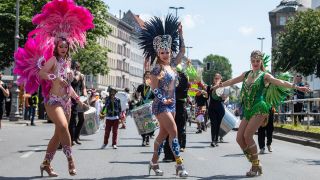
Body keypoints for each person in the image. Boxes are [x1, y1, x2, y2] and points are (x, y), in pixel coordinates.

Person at [13, 1, 93, 177]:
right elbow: (42, 73)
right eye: (60, 46)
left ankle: (46, 164)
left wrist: (79, 100)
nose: (63, 49)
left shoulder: (68, 63)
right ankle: (70, 161)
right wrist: (54, 77)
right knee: (64, 127)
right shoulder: (54, 61)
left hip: (66, 103)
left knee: (58, 136)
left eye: (65, 46)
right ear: (56, 47)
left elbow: (69, 86)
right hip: (53, 101)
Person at [215, 50, 310, 177]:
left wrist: (297, 87)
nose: (255, 63)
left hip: (259, 108)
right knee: (239, 138)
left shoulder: (264, 76)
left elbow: (280, 82)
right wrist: (220, 85)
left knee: (248, 136)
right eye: (253, 61)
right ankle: (256, 162)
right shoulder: (246, 74)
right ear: (250, 61)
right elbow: (233, 81)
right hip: (248, 109)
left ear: (261, 62)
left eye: (257, 61)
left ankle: (254, 166)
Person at [139, 14, 188, 177]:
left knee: (164, 134)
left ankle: (153, 162)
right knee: (174, 131)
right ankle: (179, 166)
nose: (165, 54)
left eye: (167, 51)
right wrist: (163, 98)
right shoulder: (156, 69)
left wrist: (181, 34)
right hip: (161, 105)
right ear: (158, 53)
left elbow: (182, 50)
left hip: (172, 103)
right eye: (162, 52)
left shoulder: (173, 65)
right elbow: (154, 88)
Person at [163, 63, 189, 161]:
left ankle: (171, 155)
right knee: (173, 130)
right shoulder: (181, 76)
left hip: (176, 104)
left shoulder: (181, 77)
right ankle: (171, 154)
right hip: (174, 104)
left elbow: (181, 91)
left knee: (172, 129)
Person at [207, 73, 228, 147]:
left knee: (218, 125)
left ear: (221, 79)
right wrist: (217, 86)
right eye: (215, 78)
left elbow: (225, 99)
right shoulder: (210, 87)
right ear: (213, 79)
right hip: (212, 108)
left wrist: (224, 97)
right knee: (213, 124)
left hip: (220, 108)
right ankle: (213, 140)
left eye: (218, 78)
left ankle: (216, 140)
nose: (217, 79)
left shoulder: (224, 88)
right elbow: (209, 93)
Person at [69, 61, 87, 145]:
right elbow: (74, 81)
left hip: (79, 98)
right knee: (72, 119)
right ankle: (71, 138)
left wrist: (85, 96)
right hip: (71, 97)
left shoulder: (81, 75)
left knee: (81, 119)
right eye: (75, 67)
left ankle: (75, 137)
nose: (76, 69)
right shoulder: (69, 73)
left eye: (77, 67)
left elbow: (83, 87)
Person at [136, 71, 155, 146]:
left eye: (149, 77)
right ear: (144, 78)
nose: (147, 78)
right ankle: (144, 139)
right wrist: (137, 97)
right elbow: (136, 95)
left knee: (150, 123)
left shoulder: (153, 87)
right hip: (142, 105)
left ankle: (148, 137)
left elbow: (156, 97)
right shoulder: (141, 86)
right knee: (143, 123)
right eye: (146, 77)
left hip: (150, 105)